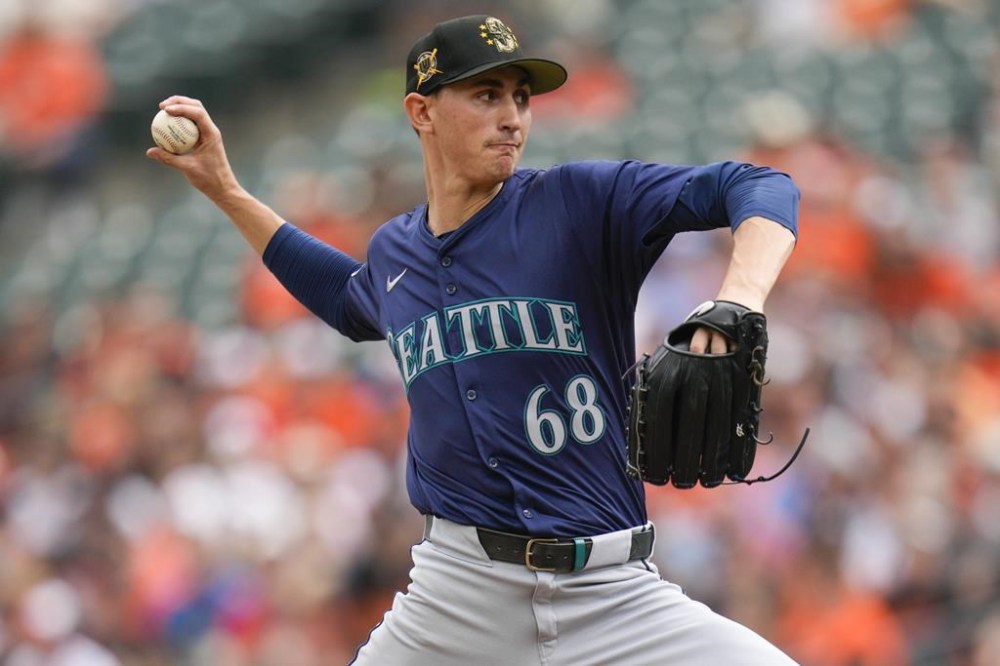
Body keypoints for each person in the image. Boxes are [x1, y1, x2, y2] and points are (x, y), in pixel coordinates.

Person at [147, 14, 801, 665]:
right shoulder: (396, 251)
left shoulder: (577, 204)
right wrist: (227, 190)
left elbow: (761, 186)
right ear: (421, 111)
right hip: (456, 600)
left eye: (520, 96)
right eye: (486, 95)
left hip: (612, 594)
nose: (513, 115)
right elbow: (348, 300)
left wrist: (737, 298)